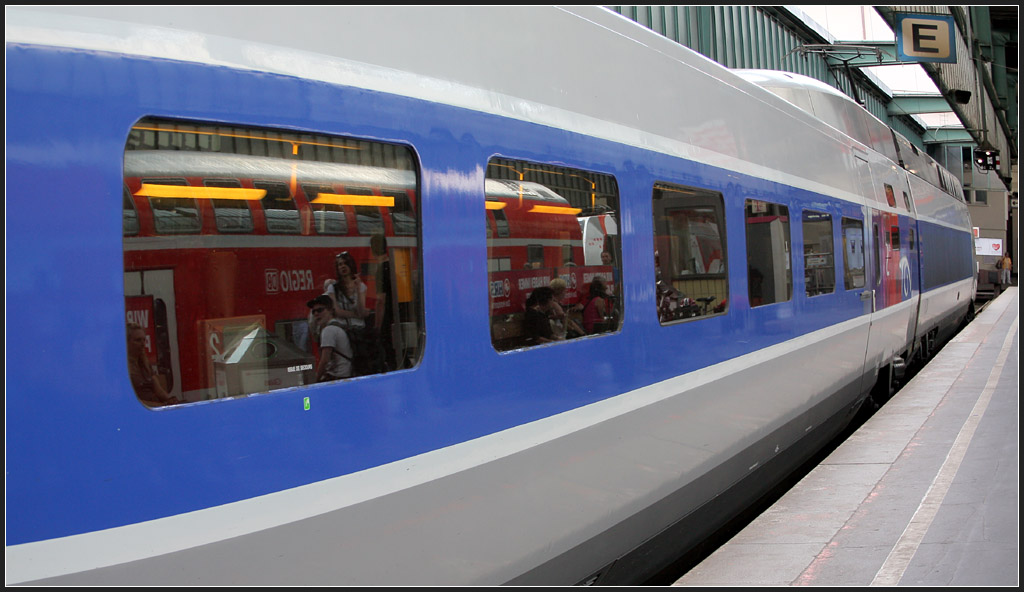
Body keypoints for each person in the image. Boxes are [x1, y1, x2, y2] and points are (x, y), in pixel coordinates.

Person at [127, 322, 179, 406]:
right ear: (126, 342)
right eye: (138, 340)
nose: (143, 344)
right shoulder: (124, 367)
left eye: (144, 340)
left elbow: (159, 391)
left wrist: (171, 401)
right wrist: (160, 406)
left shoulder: (145, 364)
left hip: (156, 405)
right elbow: (132, 402)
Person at [308, 294, 353, 381]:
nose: (316, 314)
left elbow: (325, 360)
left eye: (320, 310)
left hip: (338, 378)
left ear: (331, 311)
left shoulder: (329, 330)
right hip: (347, 375)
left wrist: (315, 380)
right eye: (313, 312)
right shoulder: (339, 326)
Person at [325, 251, 368, 330]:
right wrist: (356, 315)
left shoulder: (361, 286)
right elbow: (337, 311)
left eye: (345, 263)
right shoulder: (333, 288)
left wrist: (358, 290)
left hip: (359, 328)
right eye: (340, 264)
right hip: (341, 328)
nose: (343, 266)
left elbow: (361, 310)